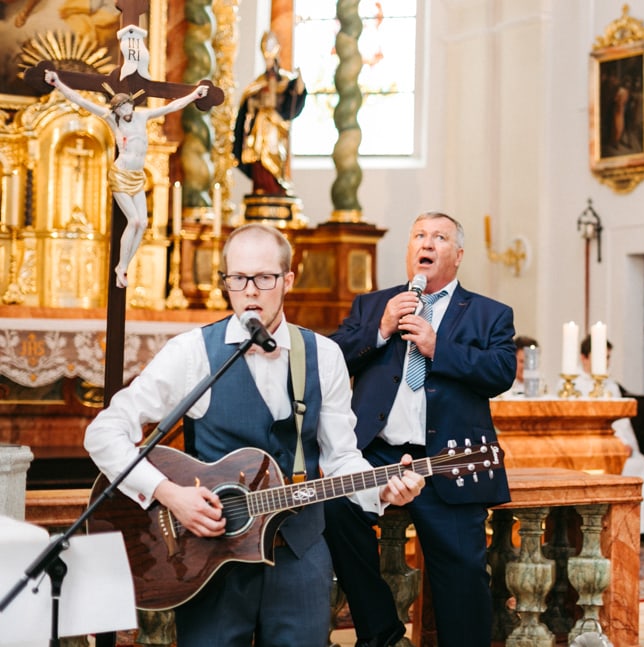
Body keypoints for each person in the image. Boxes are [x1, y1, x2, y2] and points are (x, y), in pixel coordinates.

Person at [83, 223, 425, 647]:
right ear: (225, 281)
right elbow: (104, 433)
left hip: (300, 551)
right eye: (238, 279)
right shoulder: (192, 352)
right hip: (210, 553)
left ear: (288, 280)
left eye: (264, 278)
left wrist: (384, 490)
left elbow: (340, 459)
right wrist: (168, 494)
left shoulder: (323, 354)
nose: (250, 291)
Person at [325, 211, 516, 647]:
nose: (426, 244)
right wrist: (380, 329)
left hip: (450, 460)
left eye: (439, 237)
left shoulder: (490, 314)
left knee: (461, 569)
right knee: (334, 511)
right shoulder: (373, 305)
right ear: (409, 250)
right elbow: (331, 359)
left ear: (458, 254)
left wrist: (437, 347)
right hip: (373, 453)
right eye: (419, 236)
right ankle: (382, 632)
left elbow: (501, 370)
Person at [45, 70, 209, 289]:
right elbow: (81, 100)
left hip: (137, 176)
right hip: (121, 175)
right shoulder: (112, 120)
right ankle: (121, 266)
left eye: (126, 106)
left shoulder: (142, 116)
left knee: (143, 223)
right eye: (119, 108)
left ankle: (125, 266)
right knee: (133, 220)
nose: (124, 111)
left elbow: (170, 107)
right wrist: (58, 84)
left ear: (131, 104)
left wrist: (194, 96)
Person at [573, 335, 644, 537]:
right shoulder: (572, 385)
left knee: (641, 466)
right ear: (584, 357)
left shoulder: (611, 386)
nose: (605, 363)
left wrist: (625, 445)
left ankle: (632, 530)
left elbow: (622, 423)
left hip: (618, 446)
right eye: (600, 357)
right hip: (590, 449)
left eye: (607, 358)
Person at [233, 31, 307, 197]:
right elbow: (248, 103)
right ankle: (262, 188)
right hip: (260, 127)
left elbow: (297, 93)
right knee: (259, 157)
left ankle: (276, 185)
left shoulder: (286, 80)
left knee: (275, 156)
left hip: (275, 126)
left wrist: (300, 80)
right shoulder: (257, 83)